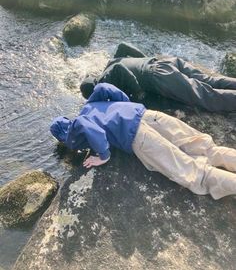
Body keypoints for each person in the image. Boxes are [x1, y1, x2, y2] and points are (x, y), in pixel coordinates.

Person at [51, 83, 236, 200]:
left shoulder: (75, 127)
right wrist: (126, 105)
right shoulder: (90, 104)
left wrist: (103, 156)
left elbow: (88, 127)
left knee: (194, 174)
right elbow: (104, 87)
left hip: (140, 137)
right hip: (147, 115)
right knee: (207, 149)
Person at [80, 42, 236, 112]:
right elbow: (123, 45)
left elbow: (119, 69)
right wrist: (145, 59)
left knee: (205, 96)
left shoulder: (104, 80)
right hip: (164, 63)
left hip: (159, 77)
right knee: (209, 81)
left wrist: (139, 93)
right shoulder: (111, 61)